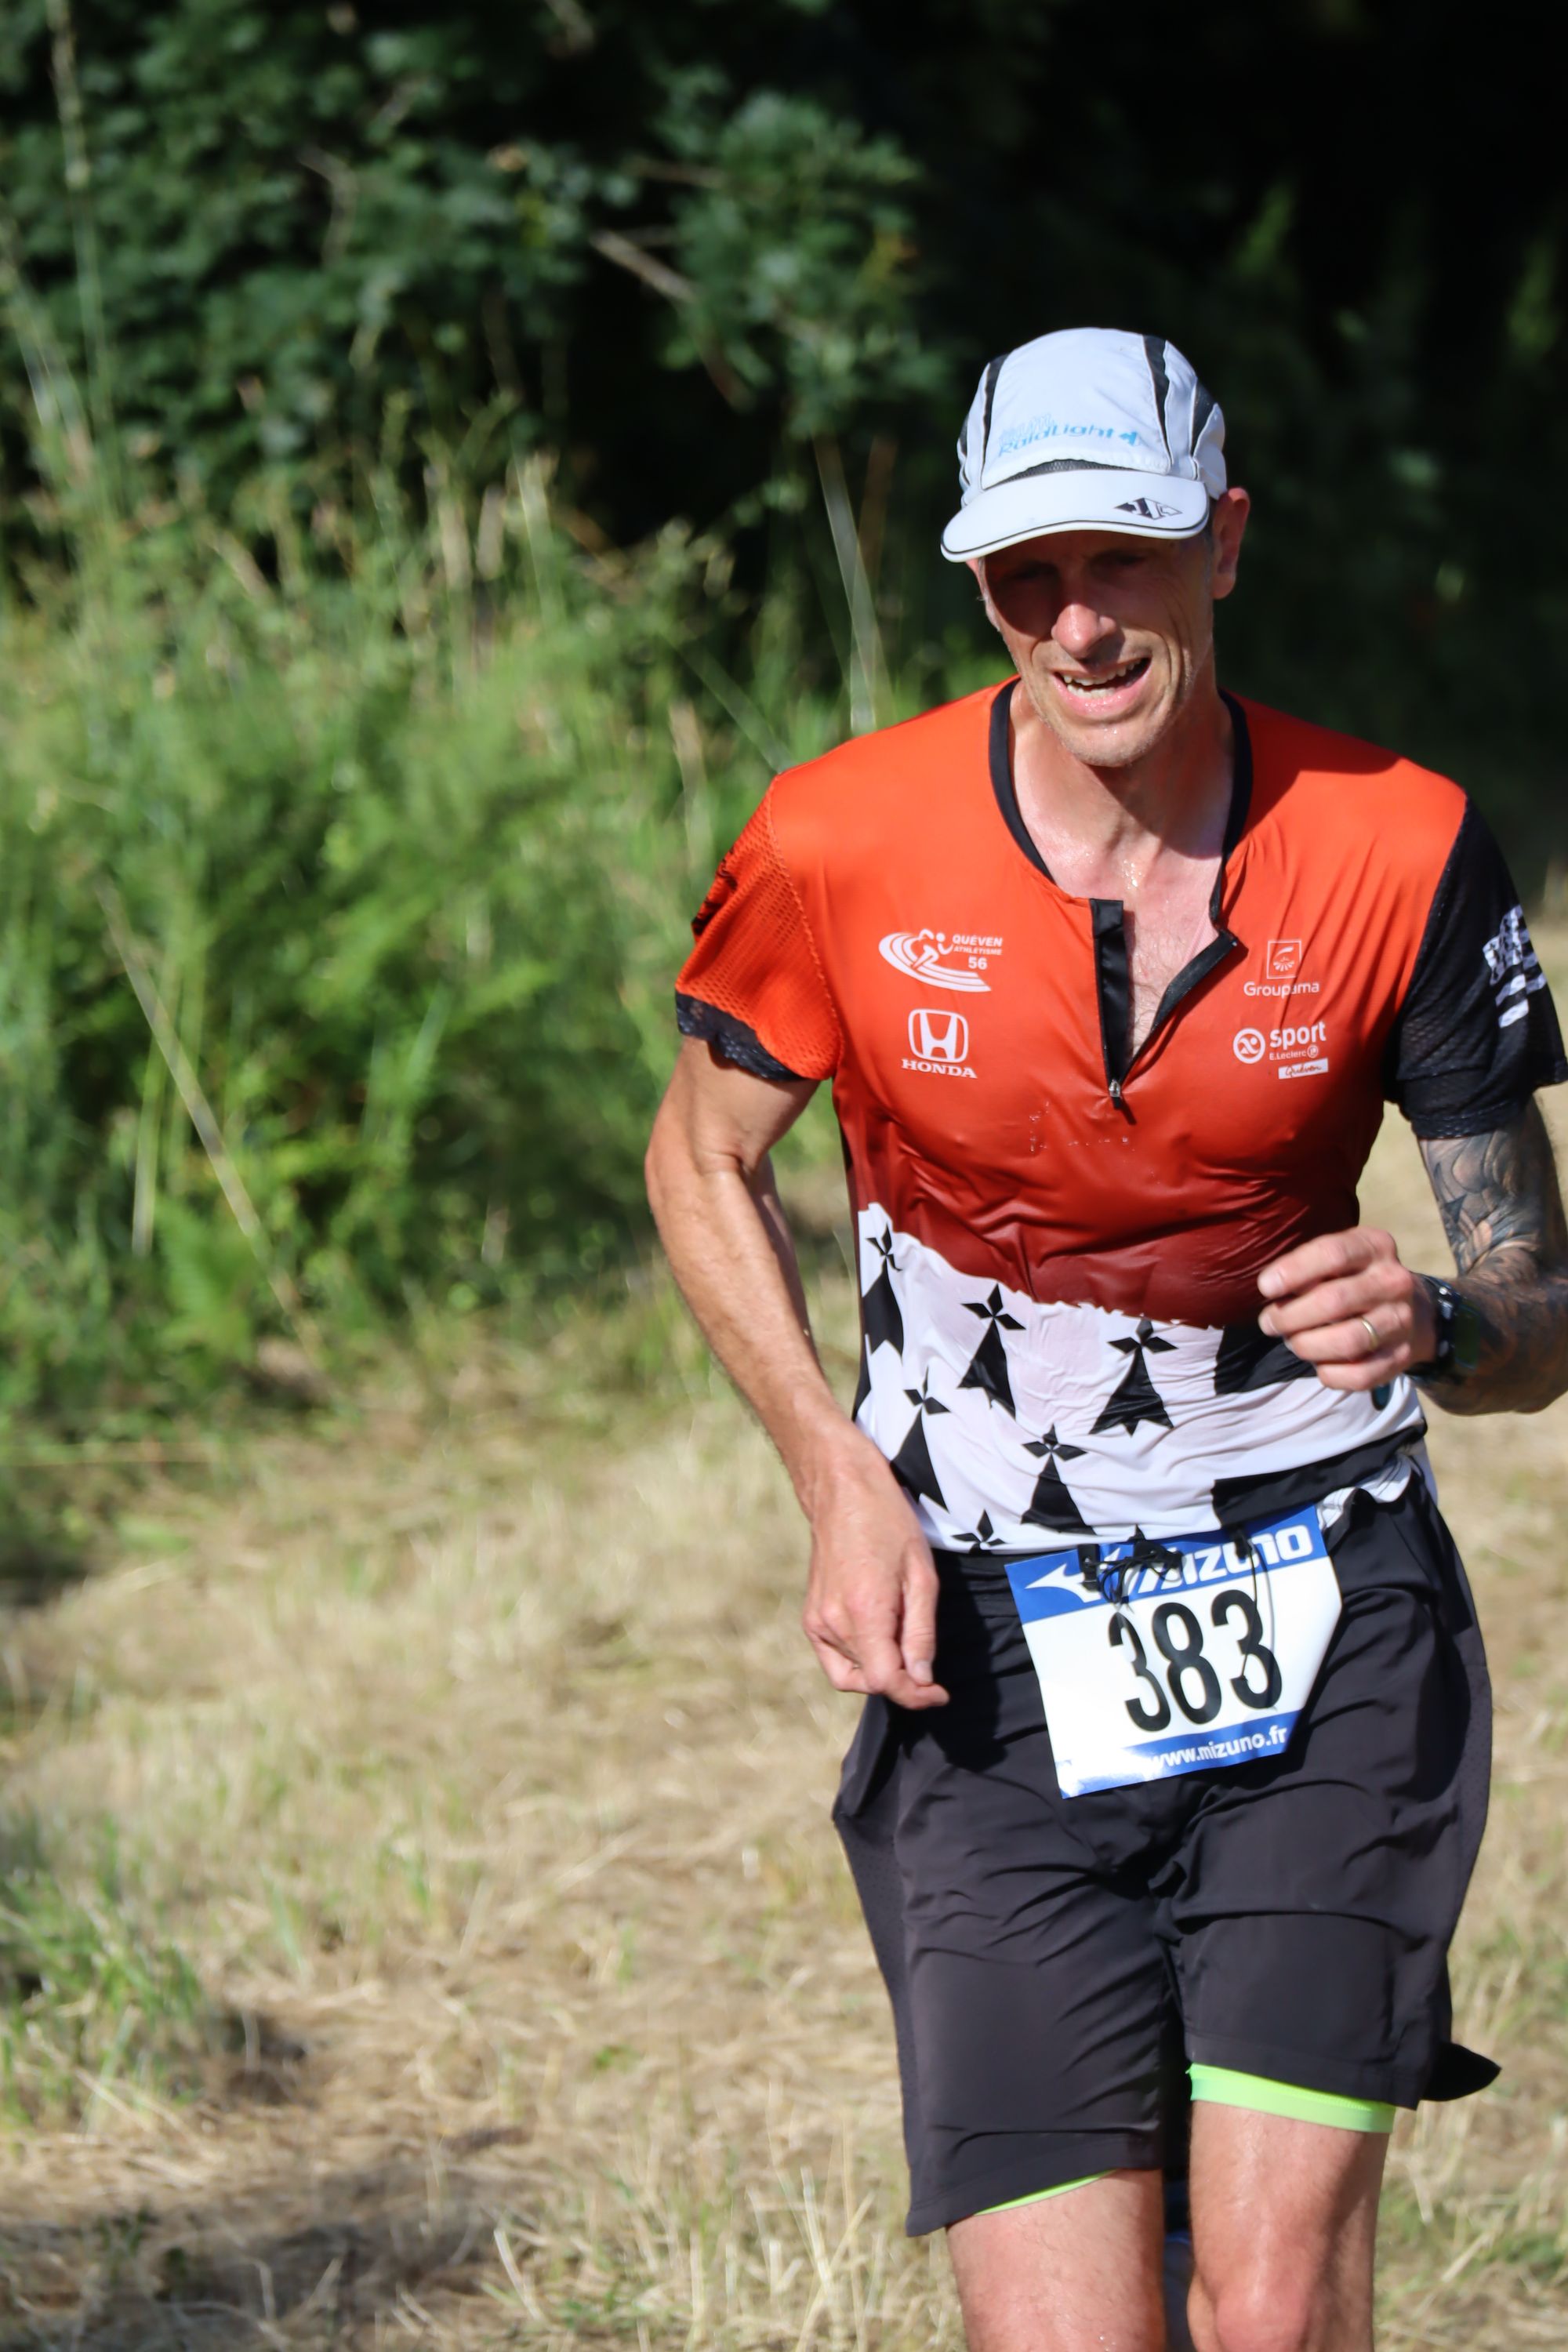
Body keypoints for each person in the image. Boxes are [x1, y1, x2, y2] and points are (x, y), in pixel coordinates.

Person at [644, 325, 1568, 2352]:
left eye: (1126, 558)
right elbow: (700, 1156)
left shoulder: (1399, 844)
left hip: (1327, 1610)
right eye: (1026, 575)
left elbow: (1542, 1313)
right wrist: (831, 1467)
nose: (1079, 622)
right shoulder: (840, 842)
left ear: (1221, 544)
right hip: (988, 1635)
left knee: (1273, 2306)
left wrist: (1434, 1314)